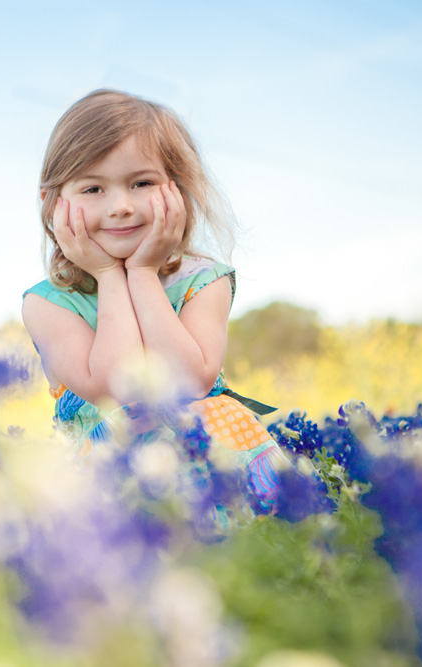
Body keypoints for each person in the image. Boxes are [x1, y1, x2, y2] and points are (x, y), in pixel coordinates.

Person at [22, 89, 289, 507]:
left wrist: (143, 274)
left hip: (212, 470)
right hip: (111, 488)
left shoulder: (203, 280)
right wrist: (111, 276)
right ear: (53, 204)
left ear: (178, 191)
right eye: (93, 189)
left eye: (141, 183)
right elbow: (115, 389)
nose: (121, 206)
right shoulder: (50, 303)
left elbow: (188, 380)